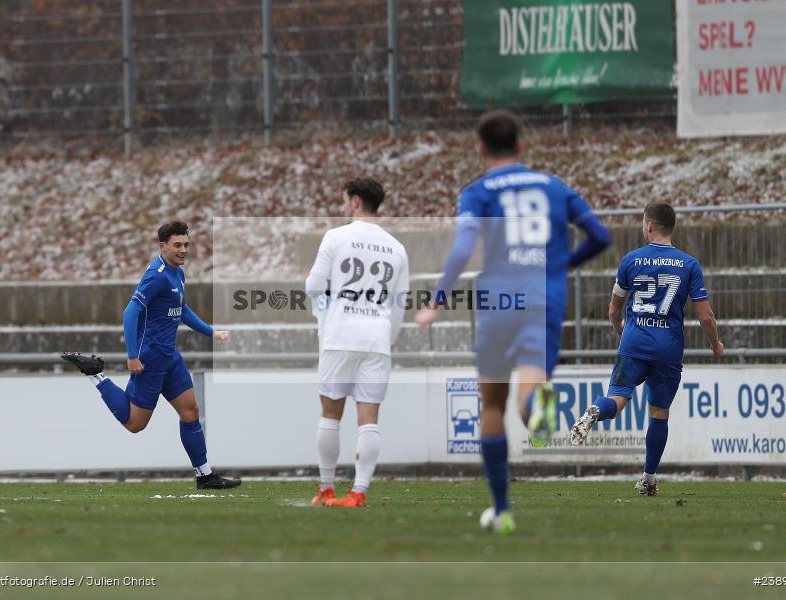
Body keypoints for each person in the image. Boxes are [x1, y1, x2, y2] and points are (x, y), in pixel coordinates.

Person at [416, 110, 610, 533]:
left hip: (498, 301)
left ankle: (502, 511)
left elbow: (463, 248)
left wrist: (437, 300)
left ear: (481, 149)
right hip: (544, 300)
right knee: (530, 389)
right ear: (520, 146)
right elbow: (601, 235)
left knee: (491, 405)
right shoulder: (554, 187)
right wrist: (561, 266)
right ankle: (537, 408)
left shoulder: (478, 192)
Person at [61, 221, 241, 490]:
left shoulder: (177, 273)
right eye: (177, 245)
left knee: (190, 411)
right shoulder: (156, 276)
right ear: (163, 246)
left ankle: (205, 475)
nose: (183, 250)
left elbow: (181, 308)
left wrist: (210, 332)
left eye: (186, 245)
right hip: (150, 360)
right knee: (135, 424)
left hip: (170, 357)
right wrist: (133, 355)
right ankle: (95, 374)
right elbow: (130, 312)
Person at [569, 202, 724, 496]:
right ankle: (649, 478)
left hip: (634, 342)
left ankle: (595, 411)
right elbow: (705, 315)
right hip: (668, 348)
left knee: (616, 400)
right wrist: (714, 344)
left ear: (649, 226)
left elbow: (614, 309)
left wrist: (622, 333)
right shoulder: (689, 264)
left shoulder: (631, 260)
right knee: (659, 412)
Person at [305, 178, 409, 508]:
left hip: (340, 334)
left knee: (330, 414)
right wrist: (385, 337)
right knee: (369, 418)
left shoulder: (336, 237)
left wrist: (324, 320)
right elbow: (399, 304)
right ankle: (359, 492)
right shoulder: (396, 248)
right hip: (377, 338)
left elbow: (313, 286)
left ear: (355, 201)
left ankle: (326, 488)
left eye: (344, 200)